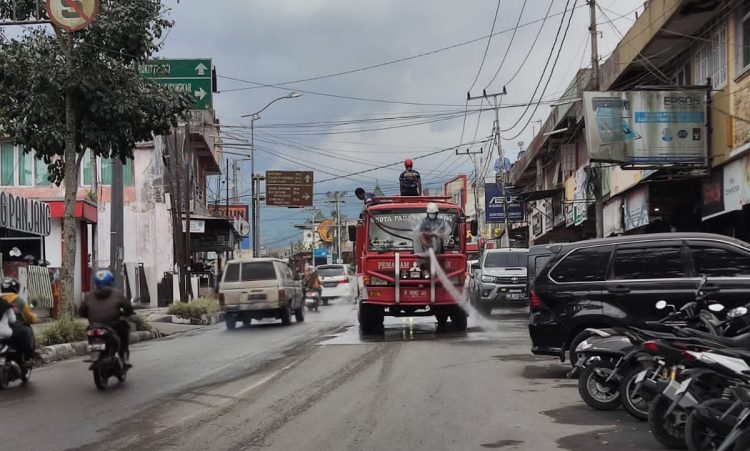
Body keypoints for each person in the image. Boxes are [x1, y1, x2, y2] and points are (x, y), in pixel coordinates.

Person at [79, 270, 134, 365]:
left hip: (94, 325)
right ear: (111, 282)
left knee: (90, 332)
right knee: (125, 329)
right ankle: (124, 355)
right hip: (113, 325)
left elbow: (82, 312)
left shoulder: (89, 296)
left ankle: (95, 352)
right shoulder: (116, 293)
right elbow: (128, 308)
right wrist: (127, 313)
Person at [0, 277, 37, 367]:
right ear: (16, 288)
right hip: (13, 329)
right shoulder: (18, 300)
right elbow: (28, 316)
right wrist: (34, 318)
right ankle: (28, 358)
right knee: (27, 331)